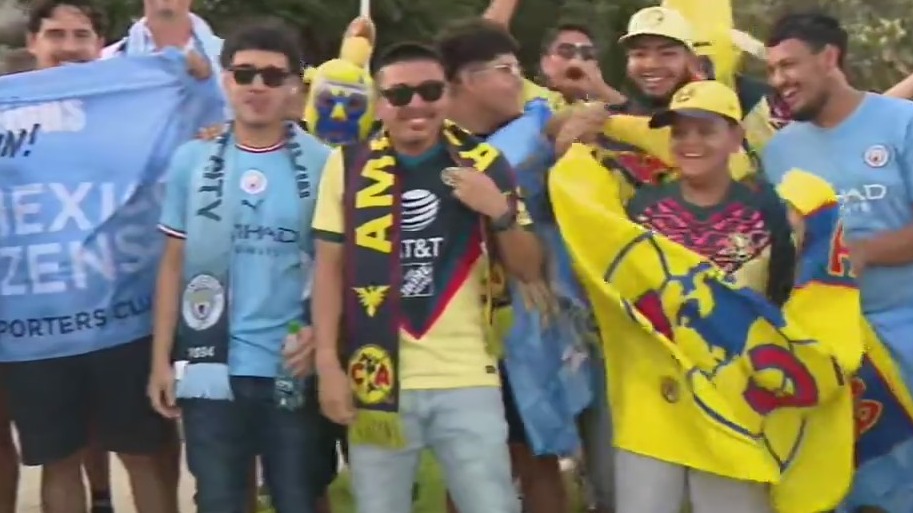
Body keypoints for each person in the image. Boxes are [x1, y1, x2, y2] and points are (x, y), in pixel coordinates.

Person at [311, 41, 543, 513]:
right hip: (377, 377)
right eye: (399, 94)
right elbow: (328, 269)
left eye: (429, 90)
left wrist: (497, 209)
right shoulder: (347, 165)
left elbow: (529, 268)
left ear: (449, 95)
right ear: (379, 101)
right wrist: (327, 365)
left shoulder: (484, 164)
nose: (415, 104)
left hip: (467, 377)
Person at [0, 3, 204, 513]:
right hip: (33, 334)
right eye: (56, 34)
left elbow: (204, 125)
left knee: (143, 455)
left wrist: (196, 78)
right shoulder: (8, 109)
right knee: (59, 462)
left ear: (100, 44)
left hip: (123, 321)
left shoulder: (132, 101)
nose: (69, 46)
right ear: (33, 42)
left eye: (81, 34)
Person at [150, 19, 334, 513]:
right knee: (220, 500)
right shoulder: (192, 159)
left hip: (289, 365)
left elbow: (338, 267)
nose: (257, 86)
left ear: (295, 85)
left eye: (273, 76)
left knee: (300, 498)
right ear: (225, 79)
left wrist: (321, 332)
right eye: (244, 73)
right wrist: (160, 360)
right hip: (210, 366)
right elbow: (172, 266)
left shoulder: (325, 163)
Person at [608, 79, 792, 513]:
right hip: (655, 398)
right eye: (680, 131)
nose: (690, 142)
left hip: (734, 400)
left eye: (705, 130)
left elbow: (781, 299)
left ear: (735, 138)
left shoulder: (765, 210)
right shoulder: (642, 210)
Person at [761, 13, 913, 513]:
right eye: (772, 70)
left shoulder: (901, 125)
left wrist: (861, 253)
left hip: (904, 335)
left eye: (789, 64)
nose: (779, 80)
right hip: (825, 353)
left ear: (830, 58)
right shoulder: (778, 152)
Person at [434, 18, 568, 513]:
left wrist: (500, 211)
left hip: (517, 334)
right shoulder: (418, 144)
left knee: (537, 457)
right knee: (462, 465)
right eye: (506, 69)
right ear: (465, 81)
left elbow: (532, 266)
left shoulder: (526, 140)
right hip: (448, 334)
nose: (519, 79)